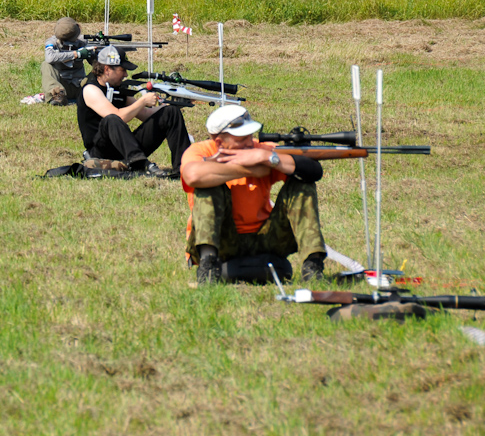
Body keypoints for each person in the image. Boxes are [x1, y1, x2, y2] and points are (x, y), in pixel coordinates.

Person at [180, 104, 327, 285]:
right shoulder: (201, 151)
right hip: (223, 240)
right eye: (241, 139)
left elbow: (313, 171)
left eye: (250, 135)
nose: (249, 142)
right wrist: (247, 169)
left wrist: (268, 159)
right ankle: (208, 266)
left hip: (265, 238)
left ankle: (313, 267)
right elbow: (193, 175)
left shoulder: (260, 151)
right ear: (219, 142)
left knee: (301, 183)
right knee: (208, 185)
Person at [76, 45, 191, 177]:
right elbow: (118, 116)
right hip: (101, 152)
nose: (125, 75)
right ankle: (141, 164)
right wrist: (142, 102)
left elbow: (146, 114)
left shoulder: (118, 89)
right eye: (122, 70)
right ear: (107, 69)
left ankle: (184, 168)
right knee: (111, 119)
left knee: (171, 113)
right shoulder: (91, 89)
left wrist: (168, 106)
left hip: (125, 148)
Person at [40, 17, 94, 105]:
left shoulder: (83, 42)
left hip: (81, 85)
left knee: (101, 69)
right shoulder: (52, 42)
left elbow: (96, 64)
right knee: (46, 64)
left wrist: (94, 54)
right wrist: (76, 54)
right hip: (61, 87)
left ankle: (100, 93)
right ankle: (57, 97)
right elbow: (49, 58)